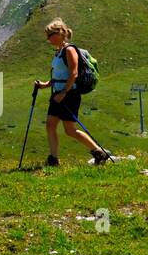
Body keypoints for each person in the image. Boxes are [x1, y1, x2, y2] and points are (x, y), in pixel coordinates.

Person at [34, 18, 111, 166]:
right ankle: (53, 159)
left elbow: (74, 73)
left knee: (70, 130)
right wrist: (45, 85)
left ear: (59, 34)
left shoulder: (69, 50)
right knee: (50, 125)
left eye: (50, 35)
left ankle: (99, 152)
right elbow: (58, 75)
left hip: (69, 95)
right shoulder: (58, 52)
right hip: (58, 95)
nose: (48, 39)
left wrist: (63, 93)